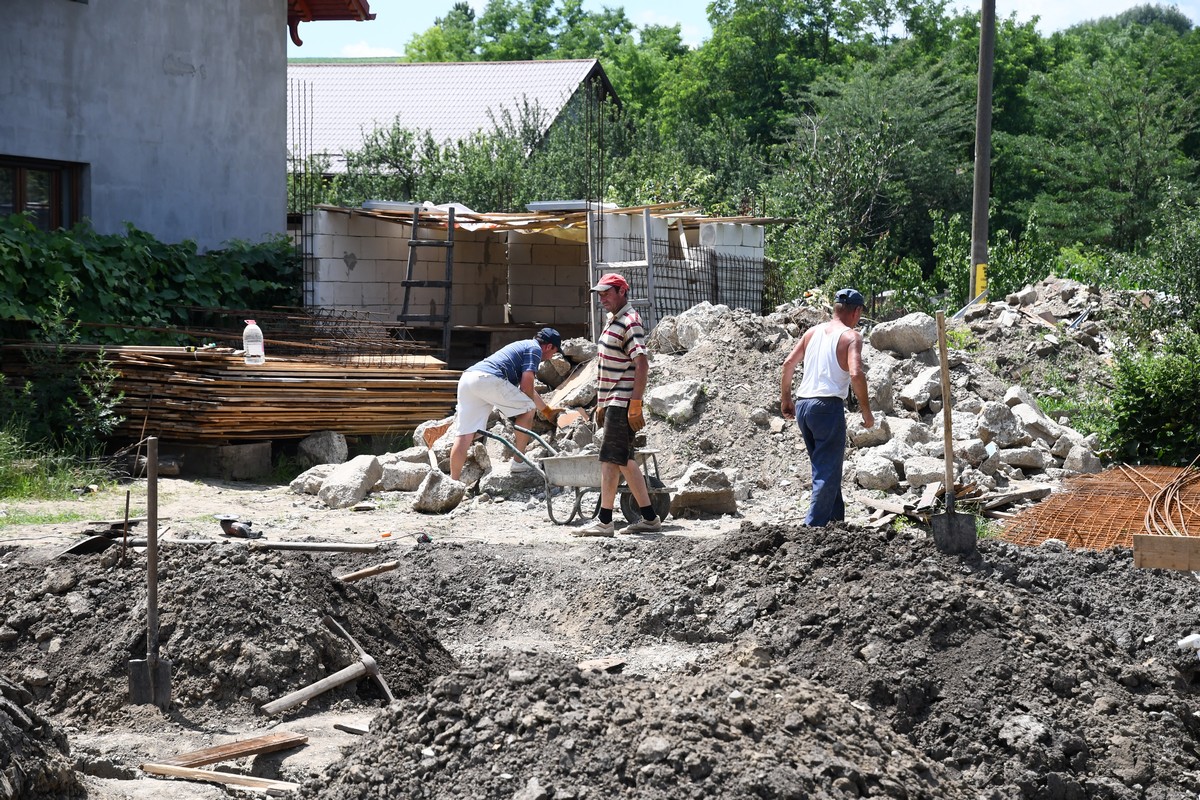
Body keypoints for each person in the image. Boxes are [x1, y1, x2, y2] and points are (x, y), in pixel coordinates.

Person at [780, 288, 875, 527]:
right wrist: (866, 410)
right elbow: (856, 373)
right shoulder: (851, 337)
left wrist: (786, 398)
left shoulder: (812, 332)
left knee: (825, 468)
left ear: (835, 308)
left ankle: (835, 524)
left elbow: (788, 363)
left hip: (804, 406)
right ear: (857, 311)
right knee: (827, 471)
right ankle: (811, 528)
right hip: (827, 407)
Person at [575, 273, 661, 537]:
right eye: (600, 294)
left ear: (622, 291)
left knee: (614, 459)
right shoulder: (613, 321)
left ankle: (606, 521)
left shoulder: (630, 322)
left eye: (607, 293)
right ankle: (647, 518)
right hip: (613, 400)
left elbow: (641, 364)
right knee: (620, 459)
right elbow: (606, 368)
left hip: (621, 401)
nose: (602, 298)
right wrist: (601, 402)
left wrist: (635, 403)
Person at [449, 327, 563, 481]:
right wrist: (532, 409)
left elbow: (527, 389)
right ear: (548, 346)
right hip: (487, 379)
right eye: (553, 352)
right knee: (528, 409)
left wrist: (546, 410)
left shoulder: (523, 346)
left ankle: (453, 482)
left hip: (468, 378)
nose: (551, 357)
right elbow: (526, 387)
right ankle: (518, 462)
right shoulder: (535, 349)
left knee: (465, 435)